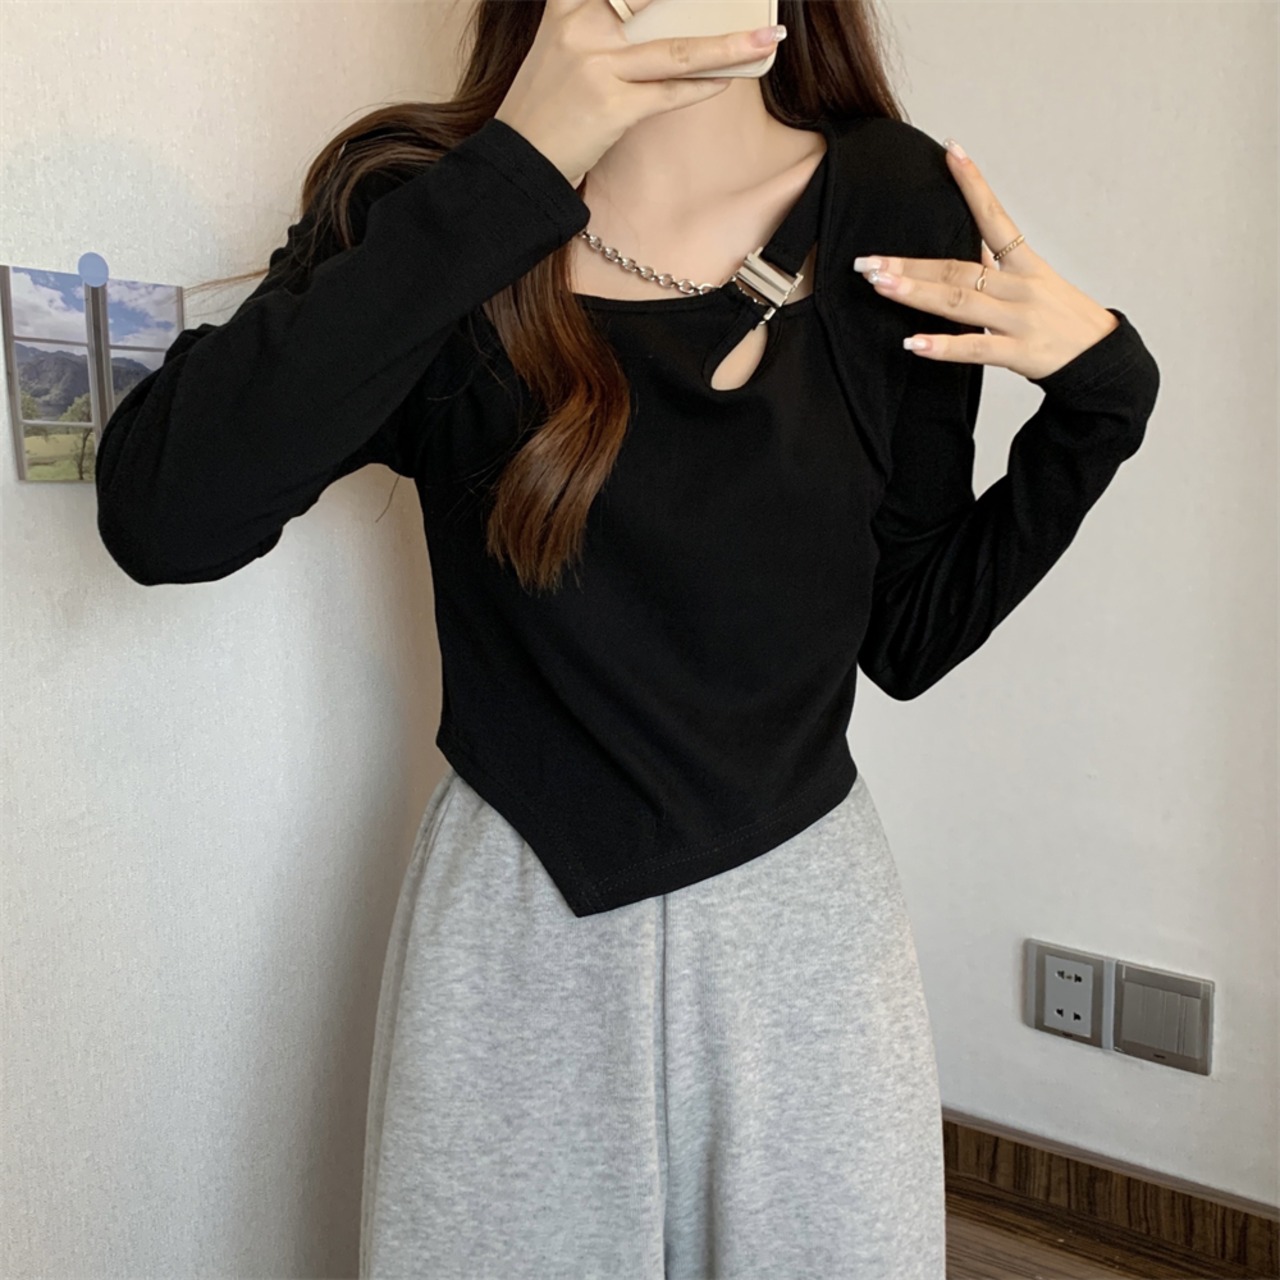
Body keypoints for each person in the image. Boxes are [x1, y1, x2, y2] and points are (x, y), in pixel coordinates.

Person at [93, 0, 1161, 1274]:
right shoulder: (416, 200)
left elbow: (907, 629)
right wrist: (520, 164)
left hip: (806, 938)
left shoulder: (897, 199)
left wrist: (1099, 403)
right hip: (517, 925)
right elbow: (166, 516)